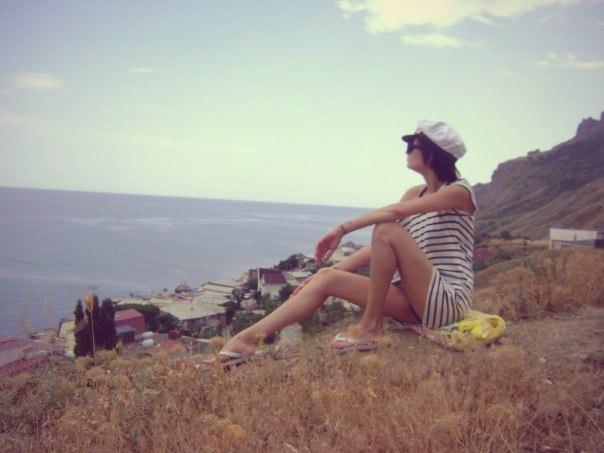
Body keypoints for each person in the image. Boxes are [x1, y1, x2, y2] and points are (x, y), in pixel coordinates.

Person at [207, 119, 477, 365]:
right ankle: (245, 340)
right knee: (326, 278)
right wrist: (326, 274)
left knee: (386, 227)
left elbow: (391, 218)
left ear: (432, 153)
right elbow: (379, 247)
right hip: (411, 300)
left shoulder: (459, 192)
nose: (406, 151)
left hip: (446, 301)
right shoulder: (414, 193)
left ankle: (370, 326)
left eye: (412, 144)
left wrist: (342, 229)